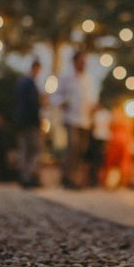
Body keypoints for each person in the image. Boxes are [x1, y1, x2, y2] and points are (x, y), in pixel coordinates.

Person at [57, 51, 96, 188]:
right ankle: (68, 178)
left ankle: (75, 178)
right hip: (71, 118)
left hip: (84, 120)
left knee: (82, 149)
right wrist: (61, 103)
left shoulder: (88, 79)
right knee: (73, 146)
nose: (84, 64)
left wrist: (93, 110)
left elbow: (91, 98)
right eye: (81, 61)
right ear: (75, 62)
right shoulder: (66, 77)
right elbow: (57, 95)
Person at [13, 60, 42, 187]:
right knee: (33, 149)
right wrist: (37, 121)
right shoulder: (29, 83)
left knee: (23, 149)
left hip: (21, 121)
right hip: (29, 122)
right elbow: (33, 105)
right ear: (35, 69)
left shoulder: (21, 82)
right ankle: (27, 176)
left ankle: (23, 176)